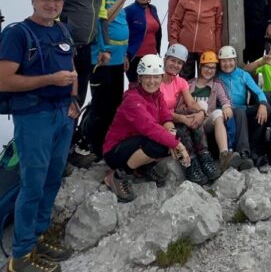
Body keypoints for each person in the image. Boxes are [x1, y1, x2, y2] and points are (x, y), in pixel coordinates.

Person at [0, 0, 80, 272]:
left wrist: (74, 101)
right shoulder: (18, 34)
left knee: (52, 178)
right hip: (33, 118)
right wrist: (50, 80)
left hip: (62, 115)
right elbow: (3, 81)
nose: (51, 4)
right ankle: (20, 257)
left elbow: (71, 69)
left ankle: (38, 236)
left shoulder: (61, 29)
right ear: (33, 0)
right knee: (33, 183)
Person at [102, 55, 190, 202]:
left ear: (161, 77)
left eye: (156, 77)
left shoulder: (157, 95)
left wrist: (173, 135)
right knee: (159, 143)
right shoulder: (133, 100)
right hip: (115, 151)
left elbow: (165, 118)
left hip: (135, 143)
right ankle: (118, 175)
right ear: (140, 78)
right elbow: (150, 128)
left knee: (175, 134)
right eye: (147, 77)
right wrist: (176, 144)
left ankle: (142, 167)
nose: (152, 81)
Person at [75, 0, 133, 165]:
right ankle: (86, 143)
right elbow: (104, 19)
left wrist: (125, 54)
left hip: (117, 62)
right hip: (101, 61)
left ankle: (103, 142)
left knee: (114, 104)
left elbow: (120, 27)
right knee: (100, 106)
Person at [47, 0, 109, 107]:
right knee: (59, 93)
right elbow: (47, 8)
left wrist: (104, 48)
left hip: (86, 49)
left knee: (78, 96)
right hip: (61, 47)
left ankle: (70, 131)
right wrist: (58, 37)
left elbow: (101, 14)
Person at [178, 51, 254, 172]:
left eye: (213, 68)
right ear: (200, 67)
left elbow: (225, 100)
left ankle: (224, 155)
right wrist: (192, 109)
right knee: (202, 104)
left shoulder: (217, 84)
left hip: (207, 122)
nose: (209, 70)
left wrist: (226, 107)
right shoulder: (189, 84)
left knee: (218, 113)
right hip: (190, 122)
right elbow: (179, 107)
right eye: (206, 67)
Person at [159, 44, 216, 185]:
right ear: (165, 59)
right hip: (161, 120)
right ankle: (190, 164)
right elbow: (160, 111)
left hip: (175, 117)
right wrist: (183, 119)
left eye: (179, 63)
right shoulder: (156, 80)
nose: (175, 65)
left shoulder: (181, 82)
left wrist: (201, 112)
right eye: (172, 60)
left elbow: (191, 102)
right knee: (183, 127)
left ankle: (204, 157)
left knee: (194, 118)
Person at [217, 45, 271, 168]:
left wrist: (262, 104)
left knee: (265, 108)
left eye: (230, 60)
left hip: (242, 110)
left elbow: (258, 92)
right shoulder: (217, 77)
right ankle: (244, 153)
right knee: (240, 112)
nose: (227, 64)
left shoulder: (243, 74)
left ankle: (255, 147)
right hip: (226, 112)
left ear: (235, 61)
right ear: (219, 62)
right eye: (224, 61)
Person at [169, 0, 224, 80]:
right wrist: (173, 41)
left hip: (206, 48)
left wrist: (217, 48)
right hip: (185, 47)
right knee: (185, 80)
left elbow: (218, 26)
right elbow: (175, 20)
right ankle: (185, 98)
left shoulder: (216, 0)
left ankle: (203, 99)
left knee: (205, 79)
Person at [124, 0, 162, 85]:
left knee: (152, 86)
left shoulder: (153, 9)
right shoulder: (128, 11)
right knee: (136, 87)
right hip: (135, 57)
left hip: (152, 56)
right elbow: (122, 34)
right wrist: (125, 55)